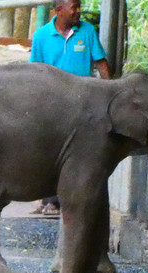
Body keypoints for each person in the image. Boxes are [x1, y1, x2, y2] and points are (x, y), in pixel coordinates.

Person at [28, 0, 110, 215]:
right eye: (73, 7)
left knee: (74, 152)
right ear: (58, 10)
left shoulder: (87, 31)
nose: (78, 11)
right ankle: (48, 200)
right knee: (49, 151)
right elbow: (34, 71)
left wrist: (109, 93)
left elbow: (101, 64)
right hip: (51, 103)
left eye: (78, 6)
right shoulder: (41, 36)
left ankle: (62, 201)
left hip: (81, 104)